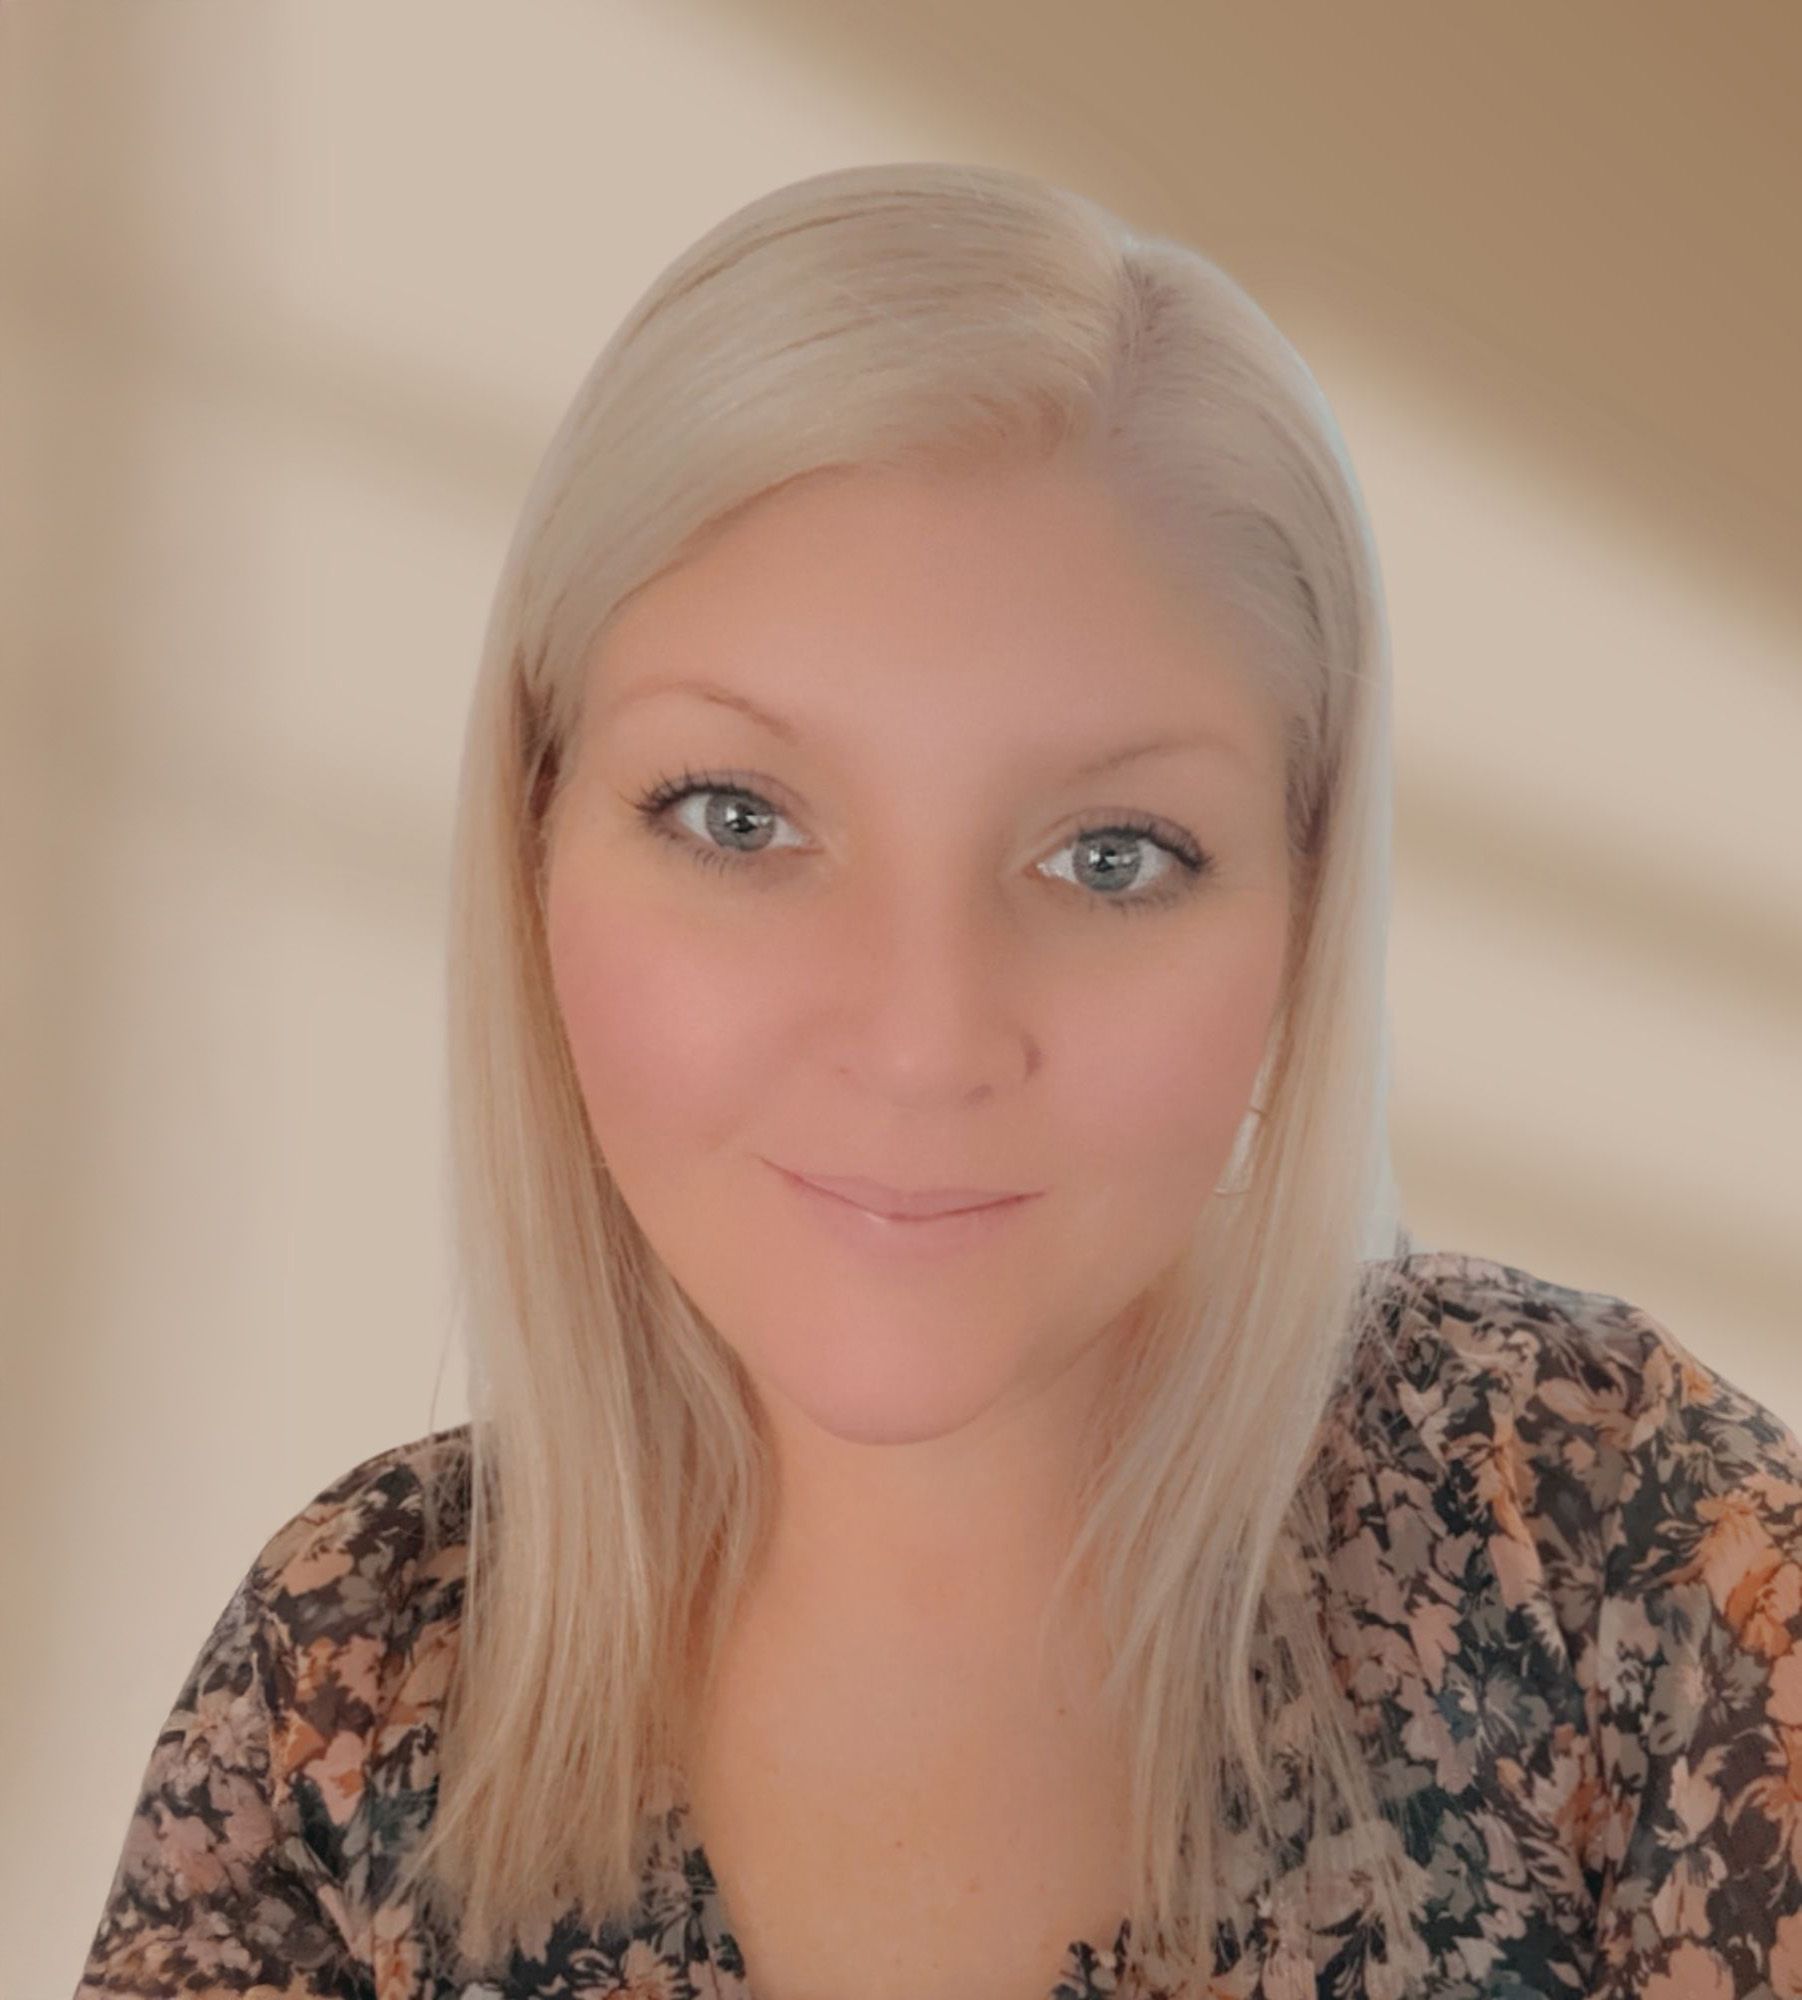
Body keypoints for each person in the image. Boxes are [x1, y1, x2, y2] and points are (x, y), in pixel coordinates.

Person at [74, 161, 1802, 2000]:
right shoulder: (352, 1674)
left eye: (1112, 855)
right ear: (533, 835)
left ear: (1305, 910)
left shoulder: (1604, 1532)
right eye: (737, 818)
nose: (920, 1040)